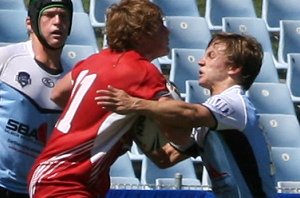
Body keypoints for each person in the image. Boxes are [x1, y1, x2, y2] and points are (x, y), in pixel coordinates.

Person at [27, 0, 187, 197]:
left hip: (57, 174)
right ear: (141, 34)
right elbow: (179, 127)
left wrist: (100, 119)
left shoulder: (95, 60)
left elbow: (58, 93)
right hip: (65, 180)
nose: (167, 31)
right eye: (160, 26)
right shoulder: (143, 70)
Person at [96, 33, 278, 198]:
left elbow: (189, 113)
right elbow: (166, 157)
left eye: (211, 55)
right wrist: (133, 123)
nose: (200, 61)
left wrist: (135, 104)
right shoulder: (211, 118)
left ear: (234, 68)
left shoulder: (234, 102)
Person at [0, 0, 73, 197]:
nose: (58, 22)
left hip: (35, 189)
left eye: (64, 16)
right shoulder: (6, 59)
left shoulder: (73, 78)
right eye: (50, 15)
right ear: (30, 23)